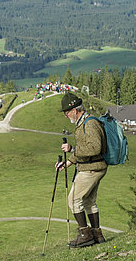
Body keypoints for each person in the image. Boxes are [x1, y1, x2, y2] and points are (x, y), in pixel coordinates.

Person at [56, 92, 107, 248]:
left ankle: (85, 235)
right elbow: (83, 149)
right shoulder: (82, 123)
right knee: (89, 201)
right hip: (93, 166)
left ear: (75, 110)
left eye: (66, 112)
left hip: (91, 168)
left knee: (73, 200)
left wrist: (72, 149)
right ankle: (97, 235)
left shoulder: (90, 123)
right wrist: (69, 163)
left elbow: (95, 148)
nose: (65, 115)